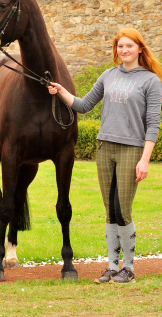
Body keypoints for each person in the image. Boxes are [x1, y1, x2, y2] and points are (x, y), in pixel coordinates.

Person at [48, 28, 162, 284]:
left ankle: (129, 269)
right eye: (120, 46)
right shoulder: (109, 75)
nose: (124, 50)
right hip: (105, 148)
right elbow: (84, 105)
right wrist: (61, 91)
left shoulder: (150, 80)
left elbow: (153, 123)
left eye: (129, 46)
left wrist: (145, 159)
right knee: (110, 210)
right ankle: (112, 267)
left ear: (140, 49)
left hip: (131, 149)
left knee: (123, 210)